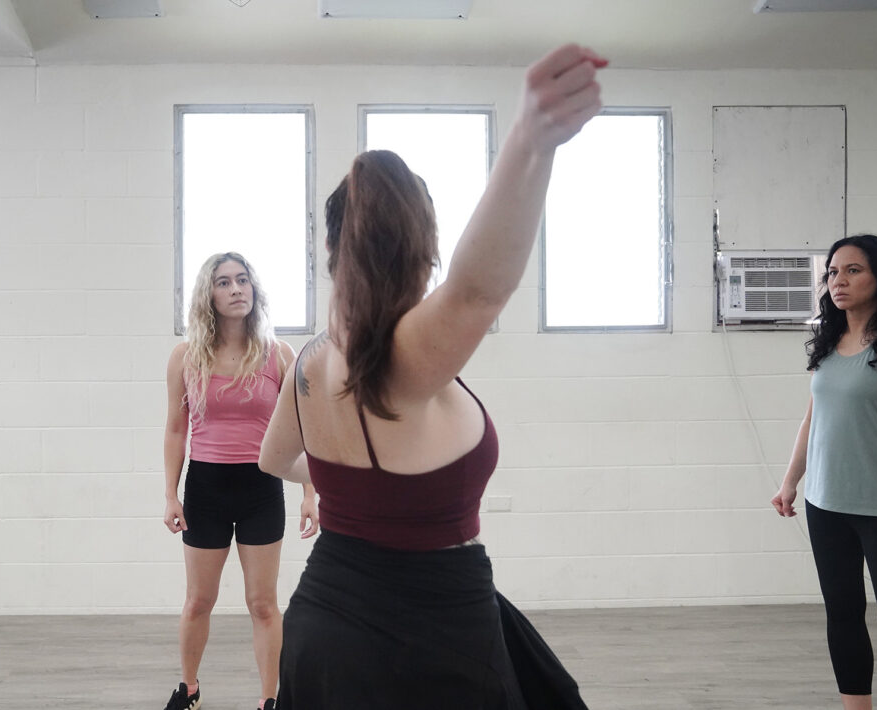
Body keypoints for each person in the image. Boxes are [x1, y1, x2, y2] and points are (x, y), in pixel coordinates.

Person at [258, 44, 604, 708]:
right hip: (423, 637)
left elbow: (275, 460)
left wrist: (351, 492)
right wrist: (531, 139)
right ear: (425, 249)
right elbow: (478, 291)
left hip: (328, 618)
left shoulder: (310, 358)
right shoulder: (402, 356)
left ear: (334, 252)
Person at [162, 252, 318, 710]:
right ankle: (188, 689)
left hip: (262, 488)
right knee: (198, 601)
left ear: (254, 290)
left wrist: (311, 491)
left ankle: (270, 700)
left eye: (243, 280)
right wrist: (170, 494)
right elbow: (176, 429)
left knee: (263, 603)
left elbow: (303, 429)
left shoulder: (278, 355)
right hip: (205, 489)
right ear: (208, 295)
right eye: (225, 282)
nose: (236, 289)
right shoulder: (186, 357)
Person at [773, 234, 877, 710]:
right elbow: (813, 418)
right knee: (843, 615)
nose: (840, 280)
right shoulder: (829, 343)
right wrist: (791, 481)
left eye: (853, 270)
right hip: (826, 507)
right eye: (833, 272)